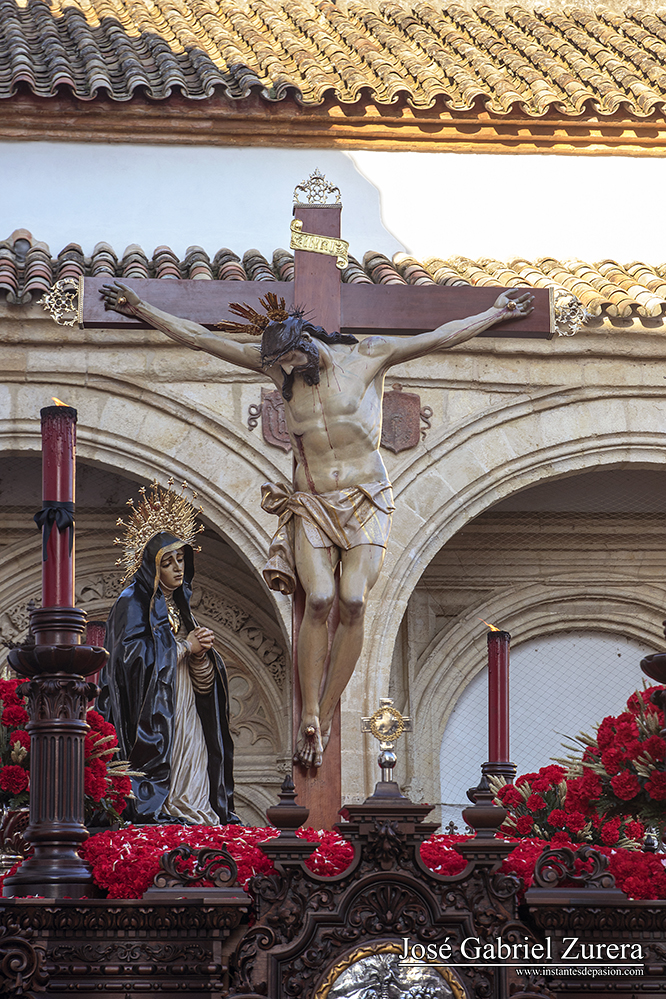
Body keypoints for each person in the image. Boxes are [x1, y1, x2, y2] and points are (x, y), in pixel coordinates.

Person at [100, 281, 533, 769]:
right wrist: (142, 309)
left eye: (291, 361)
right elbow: (203, 339)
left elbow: (438, 337)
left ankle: (324, 716)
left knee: (354, 600)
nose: (286, 372)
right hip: (311, 502)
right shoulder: (278, 368)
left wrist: (494, 314)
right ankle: (308, 710)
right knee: (321, 598)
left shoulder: (369, 356)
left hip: (367, 498)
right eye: (279, 365)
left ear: (306, 343)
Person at [98, 505, 238, 824]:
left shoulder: (178, 605)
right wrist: (186, 646)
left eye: (181, 559)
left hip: (182, 697)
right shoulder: (132, 601)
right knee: (170, 753)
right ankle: (166, 808)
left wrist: (201, 656)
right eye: (167, 562)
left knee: (195, 752)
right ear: (152, 566)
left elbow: (198, 673)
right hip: (152, 707)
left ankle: (193, 812)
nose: (177, 568)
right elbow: (130, 659)